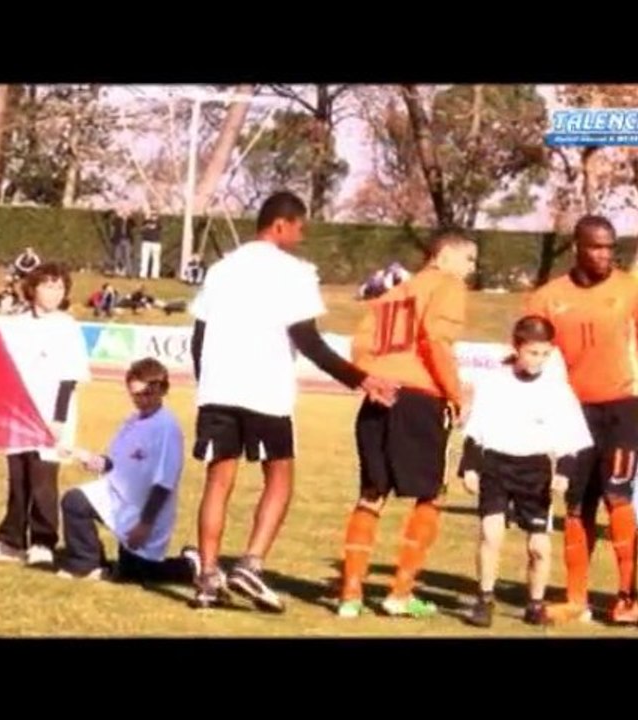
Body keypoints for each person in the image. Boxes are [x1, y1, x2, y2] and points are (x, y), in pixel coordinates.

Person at [188, 191, 398, 612]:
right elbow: (308, 341)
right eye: (300, 227)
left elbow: (198, 337)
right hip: (265, 391)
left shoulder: (222, 269)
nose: (301, 236)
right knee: (279, 476)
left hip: (218, 389)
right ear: (281, 225)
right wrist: (361, 379)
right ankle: (251, 562)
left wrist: (206, 383)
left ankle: (208, 577)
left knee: (218, 480)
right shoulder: (294, 272)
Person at [337, 229, 477, 619]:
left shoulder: (391, 293)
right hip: (418, 396)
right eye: (469, 259)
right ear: (446, 255)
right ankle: (401, 592)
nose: (471, 269)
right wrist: (454, 393)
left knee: (371, 492)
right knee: (432, 492)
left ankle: (350, 595)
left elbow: (359, 349)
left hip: (378, 396)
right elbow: (436, 340)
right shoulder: (447, 285)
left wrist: (376, 381)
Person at [525, 215, 638, 625]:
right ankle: (576, 598)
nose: (605, 254)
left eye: (610, 246)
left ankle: (628, 596)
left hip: (623, 407)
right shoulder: (547, 296)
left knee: (619, 496)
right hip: (573, 414)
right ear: (577, 247)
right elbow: (527, 350)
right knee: (577, 504)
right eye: (596, 246)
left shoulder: (630, 288)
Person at [459, 316, 593, 628]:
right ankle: (484, 600)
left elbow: (571, 437)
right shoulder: (494, 382)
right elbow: (475, 429)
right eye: (533, 353)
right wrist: (469, 467)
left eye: (545, 354)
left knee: (539, 548)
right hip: (496, 464)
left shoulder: (557, 389)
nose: (539, 360)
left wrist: (564, 472)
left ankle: (535, 603)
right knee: (491, 534)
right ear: (516, 348)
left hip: (534, 470)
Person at [0, 262, 91, 567]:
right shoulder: (18, 323)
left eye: (59, 287)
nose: (53, 292)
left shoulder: (66, 326)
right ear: (33, 288)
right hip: (18, 410)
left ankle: (43, 541)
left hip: (51, 412)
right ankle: (11, 540)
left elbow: (69, 376)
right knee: (18, 476)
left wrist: (59, 419)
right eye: (47, 285)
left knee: (43, 478)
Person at [56, 358, 199, 584]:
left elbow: (165, 482)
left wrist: (145, 524)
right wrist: (93, 460)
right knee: (74, 501)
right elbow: (116, 463)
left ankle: (190, 565)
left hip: (145, 509)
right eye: (136, 395)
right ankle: (86, 563)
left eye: (146, 394)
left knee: (135, 573)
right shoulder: (131, 421)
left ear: (162, 390)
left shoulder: (167, 428)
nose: (141, 401)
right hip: (116, 496)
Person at [139, 211, 163, 279]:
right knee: (144, 259)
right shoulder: (145, 222)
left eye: (155, 215)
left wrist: (150, 225)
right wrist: (146, 222)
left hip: (156, 243)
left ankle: (155, 275)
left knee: (156, 259)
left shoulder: (159, 223)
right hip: (146, 242)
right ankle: (143, 274)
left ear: (157, 216)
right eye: (152, 215)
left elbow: (159, 228)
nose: (153, 217)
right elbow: (141, 230)